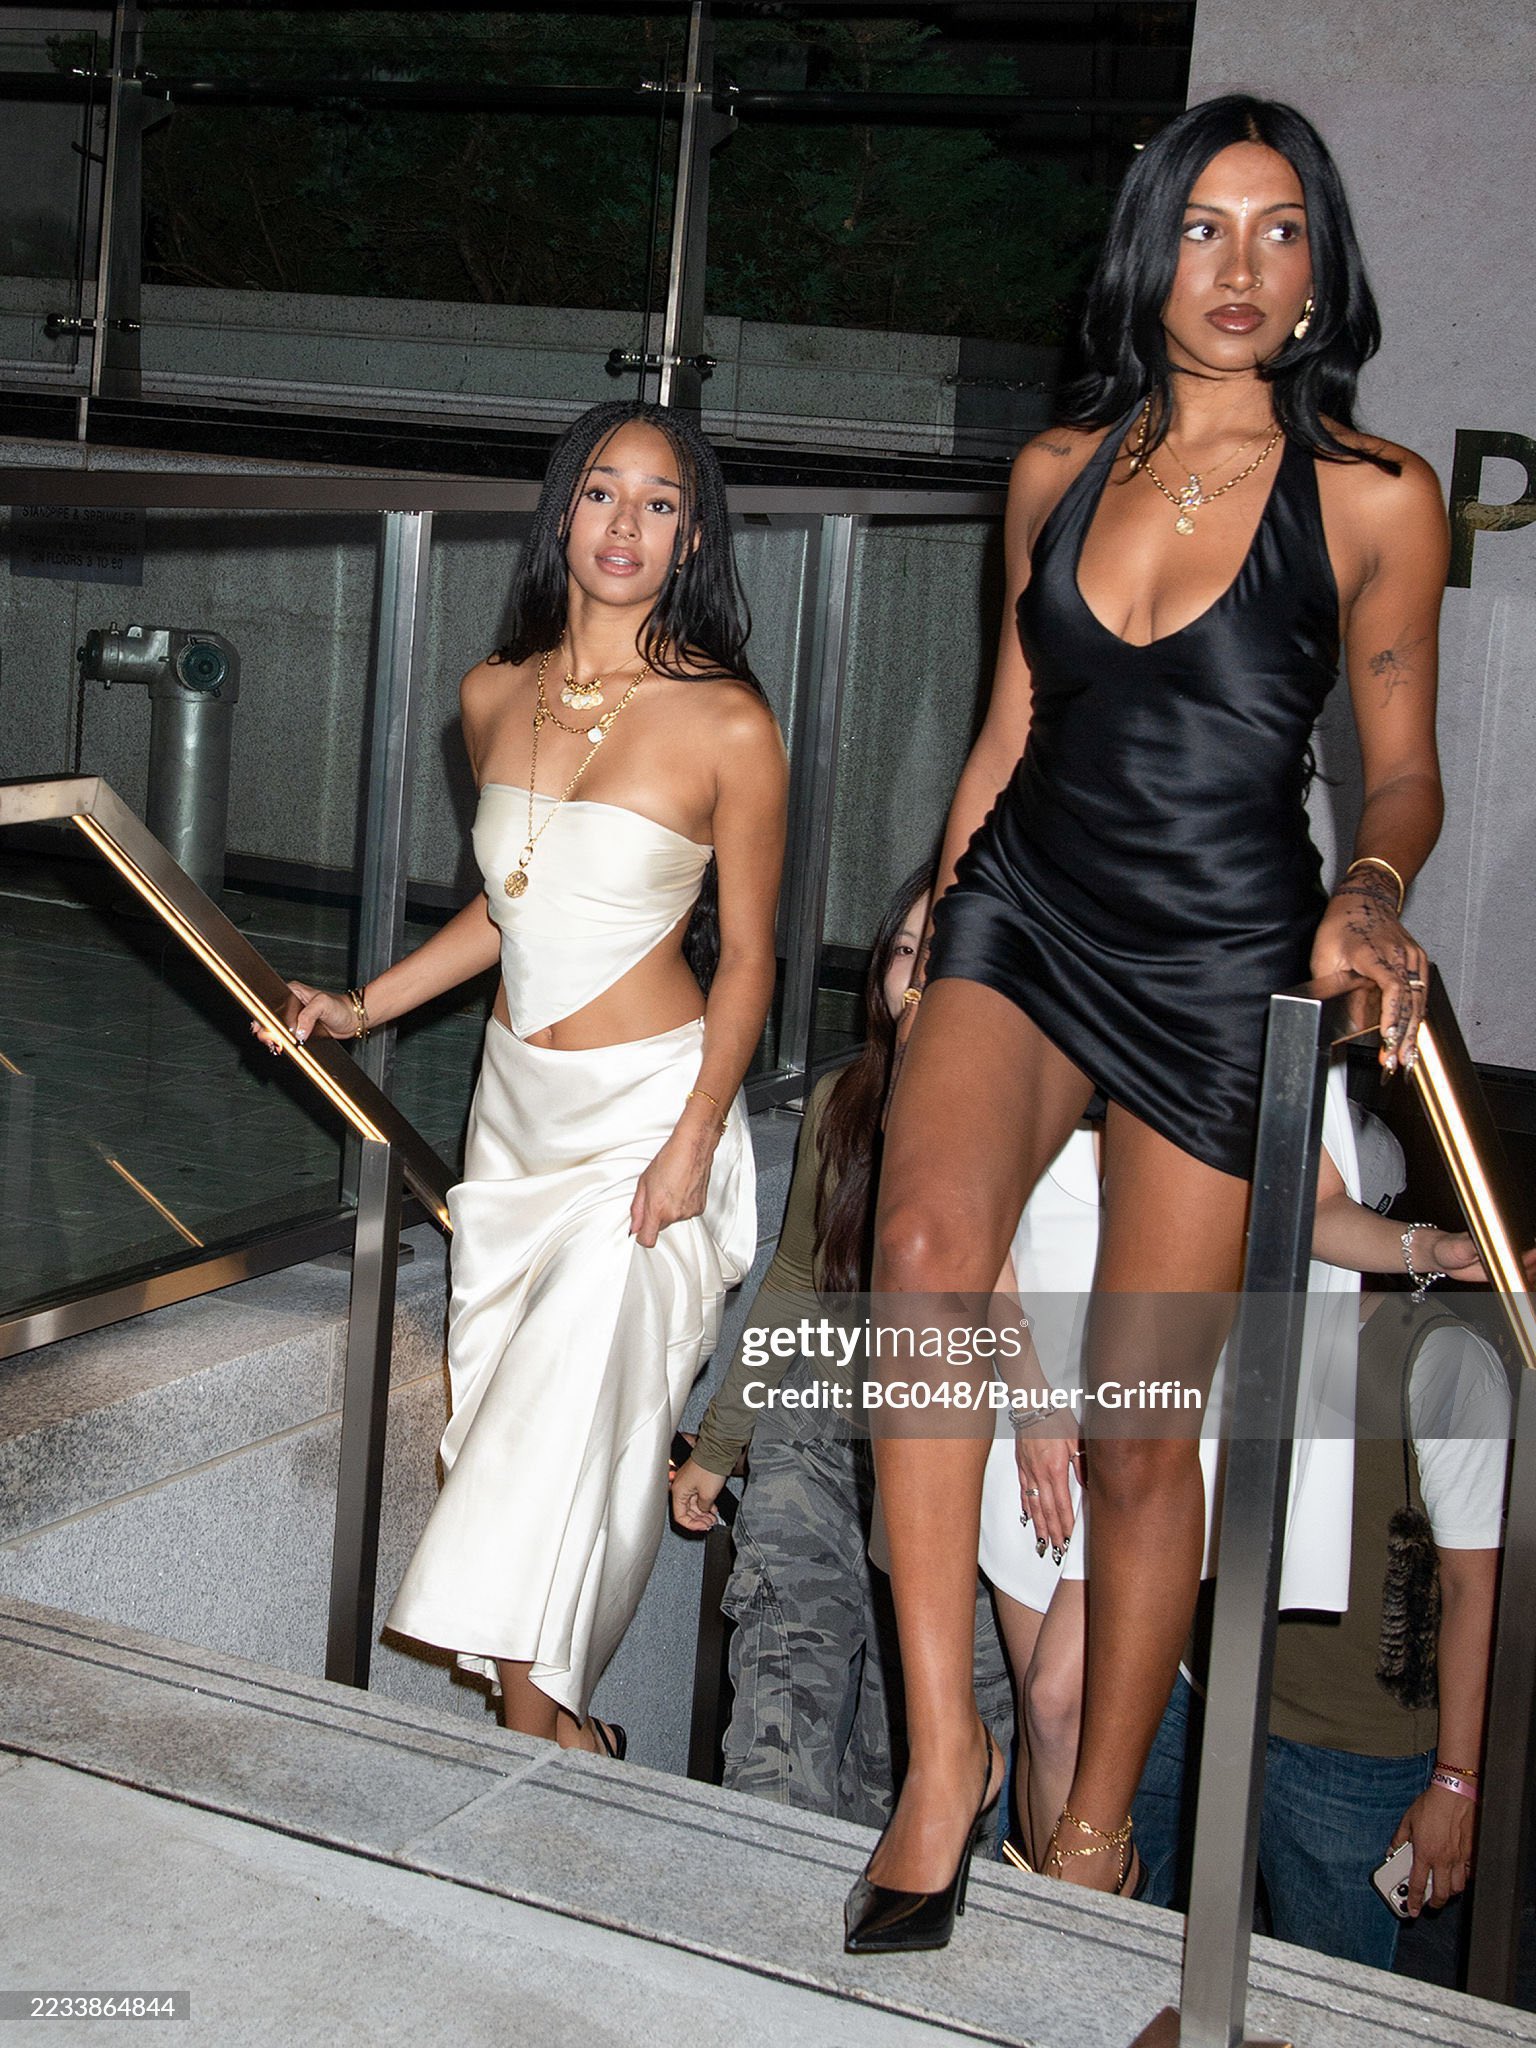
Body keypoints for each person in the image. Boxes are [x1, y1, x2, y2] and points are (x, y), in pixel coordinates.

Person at [848, 93, 1449, 1953]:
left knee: (1134, 1424)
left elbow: (1403, 771)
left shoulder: (1374, 493)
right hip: (1024, 911)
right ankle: (944, 1759)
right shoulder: (1053, 471)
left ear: (1320, 269)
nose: (1239, 268)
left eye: (1279, 230)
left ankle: (1096, 1828)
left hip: (1220, 956)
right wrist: (932, 907)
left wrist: (1371, 889)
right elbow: (1006, 732)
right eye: (1203, 227)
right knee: (923, 1257)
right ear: (1148, 255)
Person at [260, 400, 787, 1756]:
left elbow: (750, 961)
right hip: (515, 1119)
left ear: (692, 537)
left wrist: (695, 1135)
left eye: (660, 502)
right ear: (563, 511)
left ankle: (537, 1733)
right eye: (603, 491)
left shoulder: (728, 723)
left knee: (559, 1428)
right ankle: (562, 1735)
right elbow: (510, 910)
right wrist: (359, 1005)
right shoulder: (492, 694)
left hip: (645, 1118)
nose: (626, 523)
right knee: (511, 1410)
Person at [671, 865, 1013, 1825]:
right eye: (905, 951)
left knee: (901, 1765)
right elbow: (793, 1280)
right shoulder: (842, 1100)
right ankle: (759, 1900)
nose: (919, 977)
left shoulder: (1031, 1127)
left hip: (958, 1466)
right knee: (777, 1722)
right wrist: (718, 1447)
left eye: (944, 957)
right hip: (818, 1439)